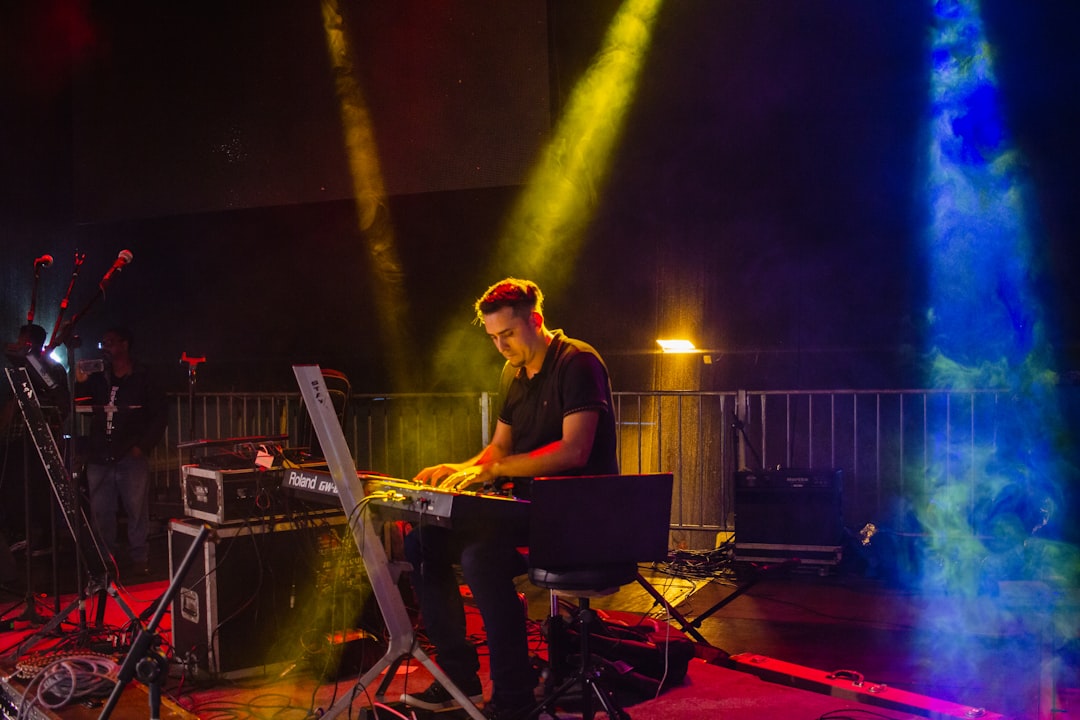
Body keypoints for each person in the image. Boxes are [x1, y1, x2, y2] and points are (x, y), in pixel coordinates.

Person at [402, 278, 619, 719]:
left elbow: (574, 450)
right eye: (493, 337)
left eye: (507, 334)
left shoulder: (578, 363)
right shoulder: (512, 373)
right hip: (528, 511)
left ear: (535, 321)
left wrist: (495, 471)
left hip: (578, 515)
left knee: (483, 558)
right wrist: (458, 470)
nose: (500, 346)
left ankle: (513, 697)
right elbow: (498, 449)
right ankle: (456, 680)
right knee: (422, 542)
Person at [75, 327, 167, 576]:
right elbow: (79, 403)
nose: (105, 347)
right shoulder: (99, 377)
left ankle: (140, 558)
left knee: (136, 509)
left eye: (111, 342)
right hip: (100, 454)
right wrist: (80, 382)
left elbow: (159, 414)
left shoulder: (143, 376)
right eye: (103, 342)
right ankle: (106, 559)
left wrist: (143, 446)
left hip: (129, 453)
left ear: (125, 345)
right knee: (102, 511)